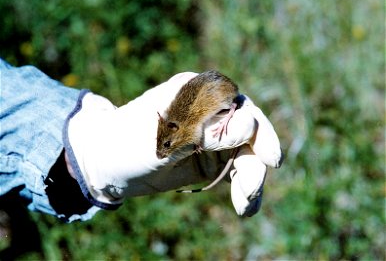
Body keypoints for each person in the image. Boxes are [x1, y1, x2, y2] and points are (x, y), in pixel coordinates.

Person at [0, 59, 284, 224]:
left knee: (215, 127)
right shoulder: (171, 127)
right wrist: (89, 161)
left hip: (222, 97)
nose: (162, 153)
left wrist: (81, 150)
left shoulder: (182, 128)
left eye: (166, 147)